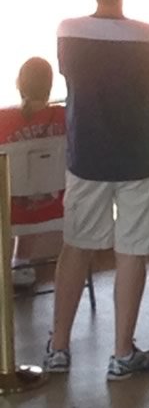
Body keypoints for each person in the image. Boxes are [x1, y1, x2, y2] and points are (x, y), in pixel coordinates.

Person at [46, 0, 149, 380]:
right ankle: (122, 353)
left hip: (88, 156)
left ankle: (58, 348)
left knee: (77, 246)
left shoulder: (69, 32)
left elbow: (70, 74)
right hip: (140, 156)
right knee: (132, 252)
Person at [3, 57, 68, 289]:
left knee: (19, 188)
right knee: (36, 185)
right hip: (57, 208)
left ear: (19, 84)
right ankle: (21, 264)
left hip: (9, 213)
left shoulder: (4, 120)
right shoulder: (65, 116)